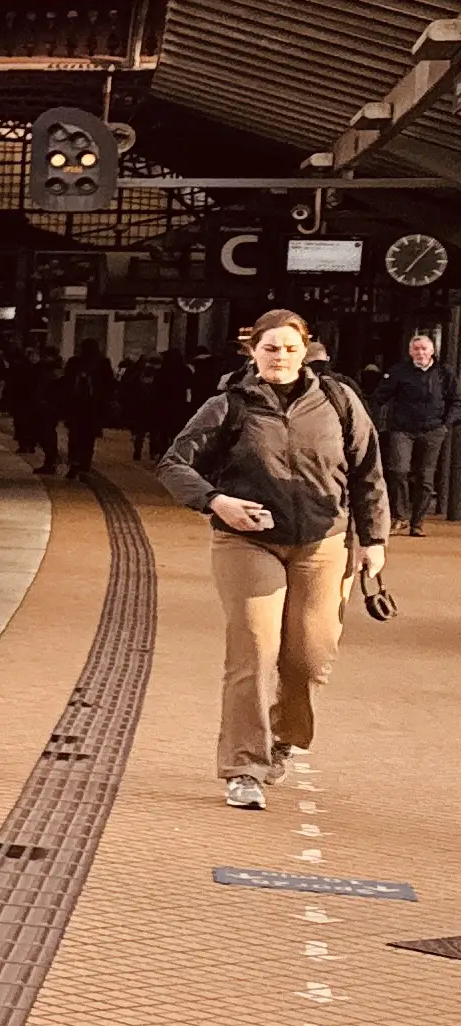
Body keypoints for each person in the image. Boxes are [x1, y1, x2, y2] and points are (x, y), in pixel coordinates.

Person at [162, 307, 390, 811]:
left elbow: (368, 470)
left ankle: (284, 738)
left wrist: (373, 540)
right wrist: (216, 500)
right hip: (247, 542)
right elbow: (174, 463)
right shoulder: (228, 404)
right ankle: (244, 766)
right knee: (254, 651)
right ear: (253, 352)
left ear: (305, 349)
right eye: (270, 348)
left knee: (308, 657)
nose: (280, 357)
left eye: (290, 348)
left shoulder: (338, 400)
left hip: (322, 542)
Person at [374, 331, 450, 538]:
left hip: (433, 431)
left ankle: (418, 523)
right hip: (403, 430)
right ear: (410, 352)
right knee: (398, 471)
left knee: (425, 478)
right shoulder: (399, 371)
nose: (420, 353)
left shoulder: (444, 373)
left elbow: (456, 399)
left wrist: (446, 424)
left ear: (432, 351)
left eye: (424, 348)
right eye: (416, 349)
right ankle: (401, 517)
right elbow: (379, 396)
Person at [56, 346, 117, 478]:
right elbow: (67, 383)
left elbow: (108, 385)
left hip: (92, 406)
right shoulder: (75, 364)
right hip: (77, 406)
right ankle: (76, 462)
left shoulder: (102, 365)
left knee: (85, 437)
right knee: (77, 436)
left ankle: (82, 463)